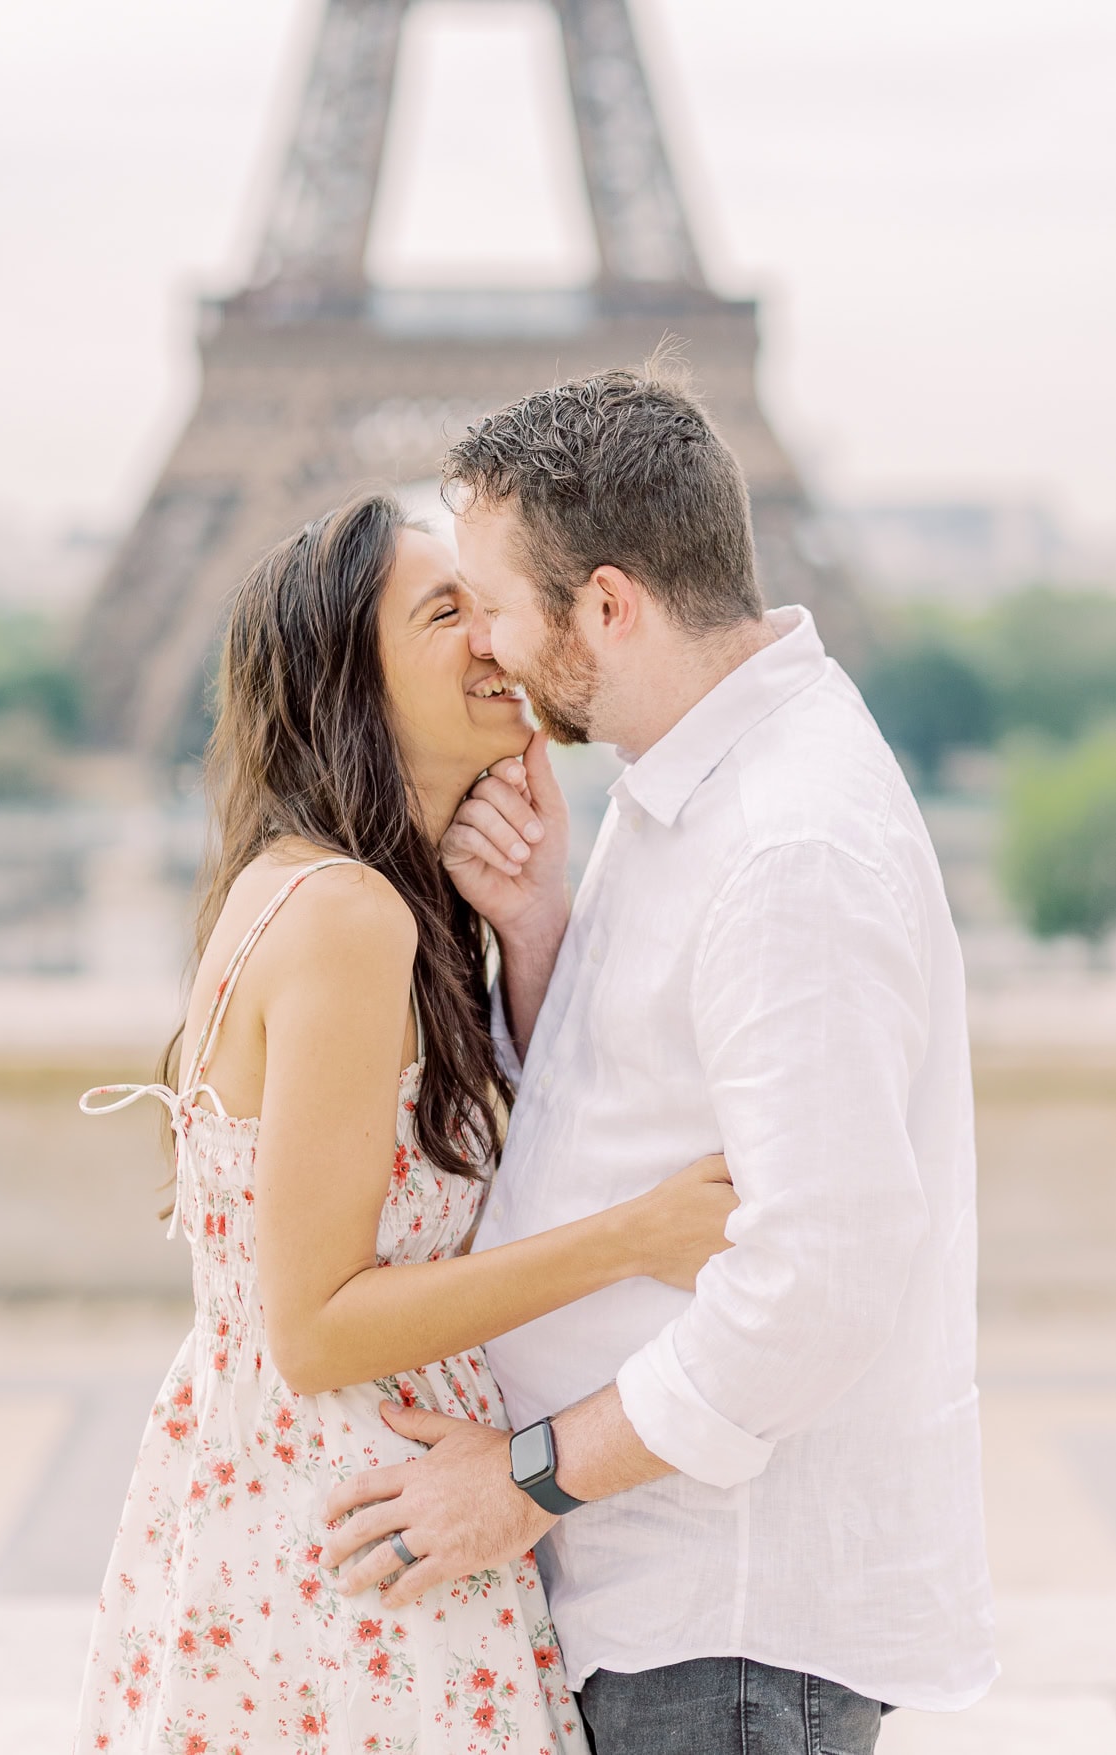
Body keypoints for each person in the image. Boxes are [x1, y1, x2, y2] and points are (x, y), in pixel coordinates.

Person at [321, 365, 998, 1754]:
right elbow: (632, 1104)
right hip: (668, 1607)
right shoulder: (690, 776)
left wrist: (520, 1482)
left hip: (724, 1625)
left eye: (497, 604)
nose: (486, 646)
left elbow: (818, 1283)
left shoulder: (788, 843)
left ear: (609, 605)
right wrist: (536, 934)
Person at [71, 493, 738, 1753]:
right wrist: (637, 1237)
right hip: (364, 1536)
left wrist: (529, 918)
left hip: (305, 1513)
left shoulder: (344, 895)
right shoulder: (347, 916)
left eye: (488, 603)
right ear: (349, 681)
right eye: (446, 613)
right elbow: (317, 1326)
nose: (497, 634)